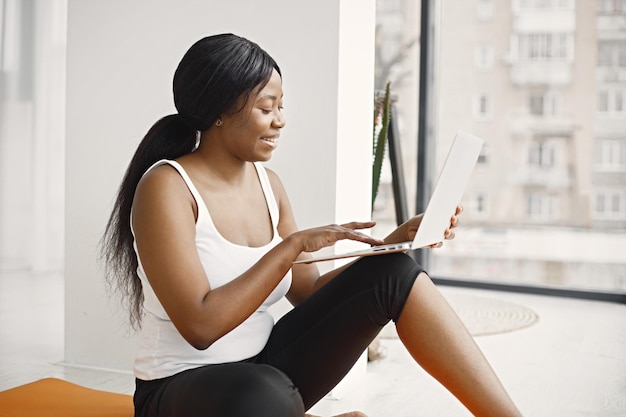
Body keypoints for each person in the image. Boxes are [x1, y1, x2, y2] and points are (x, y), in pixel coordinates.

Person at [101, 33, 523, 417]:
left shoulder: (270, 186)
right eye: (266, 108)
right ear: (218, 114)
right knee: (264, 393)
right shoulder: (166, 187)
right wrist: (290, 247)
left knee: (392, 274)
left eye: (281, 107)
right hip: (180, 389)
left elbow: (309, 294)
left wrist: (393, 244)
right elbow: (200, 327)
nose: (280, 121)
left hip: (268, 369)